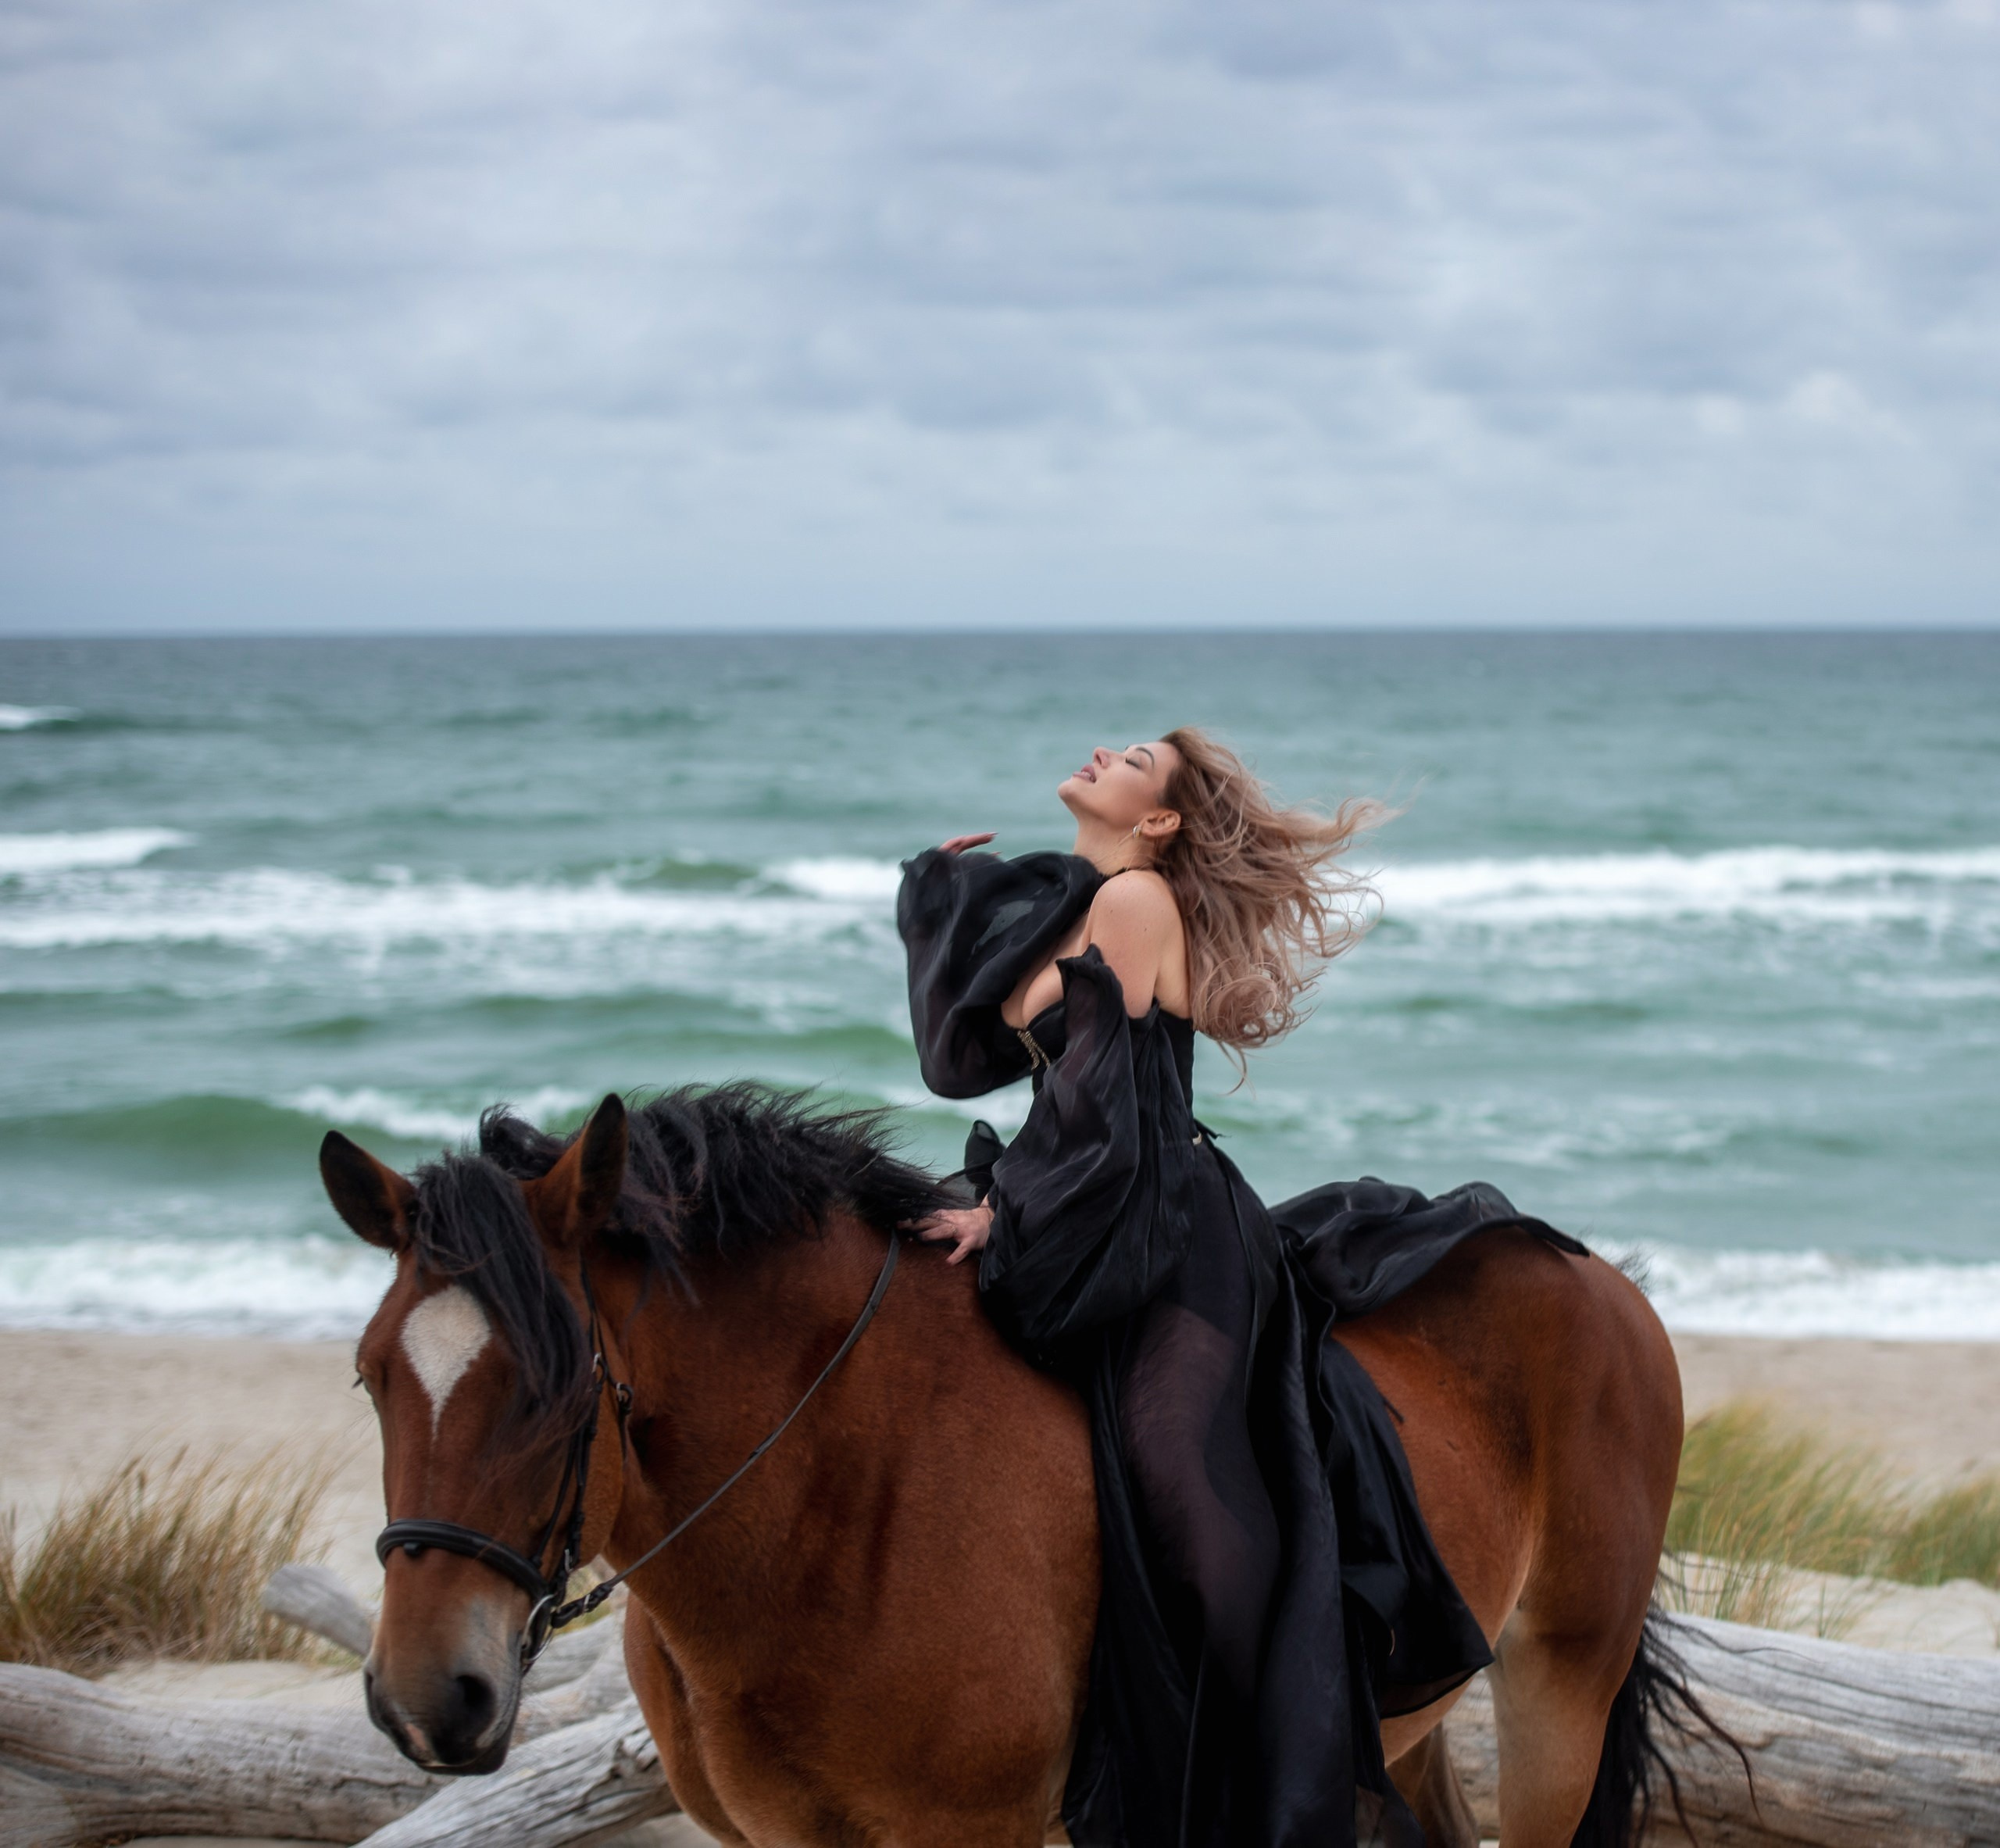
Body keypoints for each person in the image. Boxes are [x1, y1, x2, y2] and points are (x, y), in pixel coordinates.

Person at [898, 729, 1579, 1848]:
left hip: (1168, 1235)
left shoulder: (1136, 902)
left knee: (1188, 1489)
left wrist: (1001, 1213)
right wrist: (931, 899)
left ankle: (1273, 1784)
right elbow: (956, 1060)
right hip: (1073, 1209)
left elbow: (1107, 1113)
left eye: (1130, 760)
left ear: (1159, 821)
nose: (1100, 751)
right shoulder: (1068, 902)